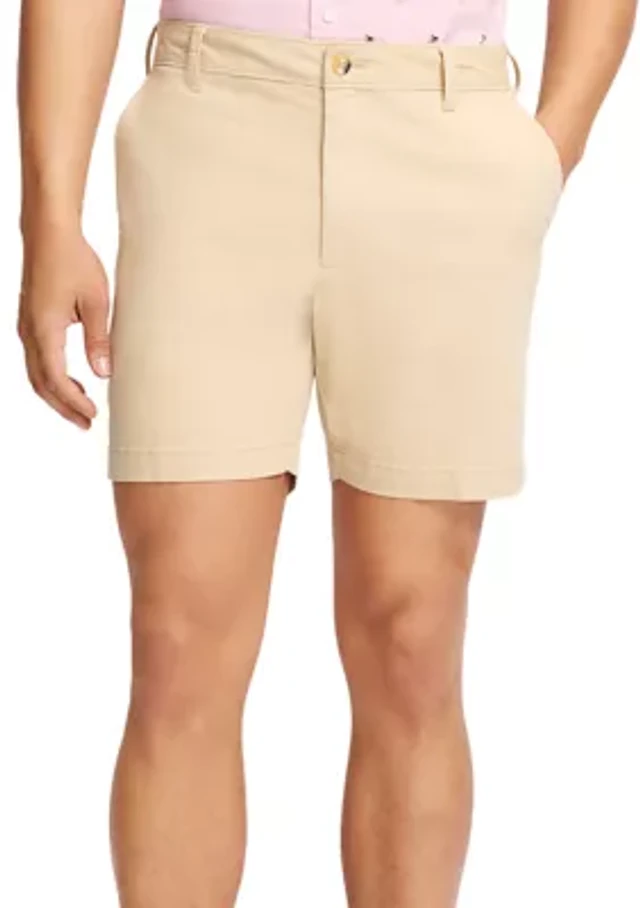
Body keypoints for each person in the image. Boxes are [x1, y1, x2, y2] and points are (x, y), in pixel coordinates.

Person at [17, 1, 636, 906]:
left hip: (443, 132)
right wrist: (49, 216)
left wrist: (554, 146)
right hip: (210, 132)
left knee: (412, 634)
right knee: (179, 636)